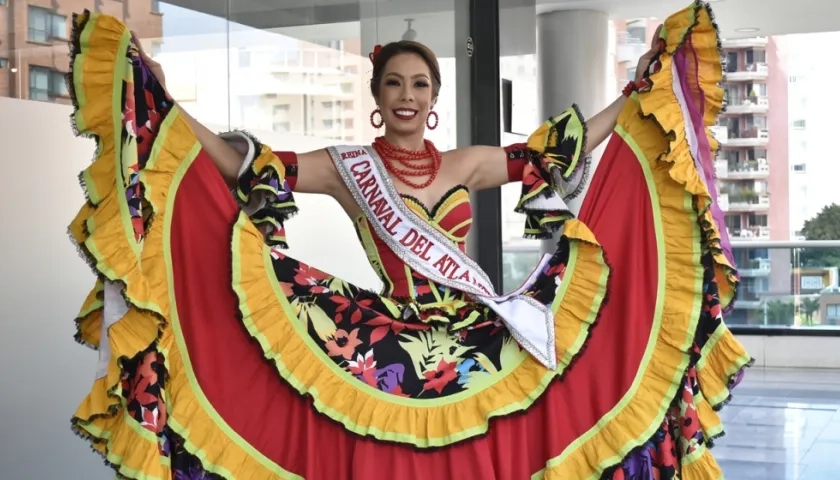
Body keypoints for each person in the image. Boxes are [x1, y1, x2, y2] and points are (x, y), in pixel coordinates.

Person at [66, 1, 749, 479]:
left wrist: (639, 92)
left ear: (433, 98)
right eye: (394, 82)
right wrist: (169, 110)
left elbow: (558, 151)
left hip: (476, 326)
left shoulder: (467, 164)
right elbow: (253, 164)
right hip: (387, 328)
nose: (406, 95)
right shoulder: (346, 167)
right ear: (378, 94)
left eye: (419, 84)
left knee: (530, 407)